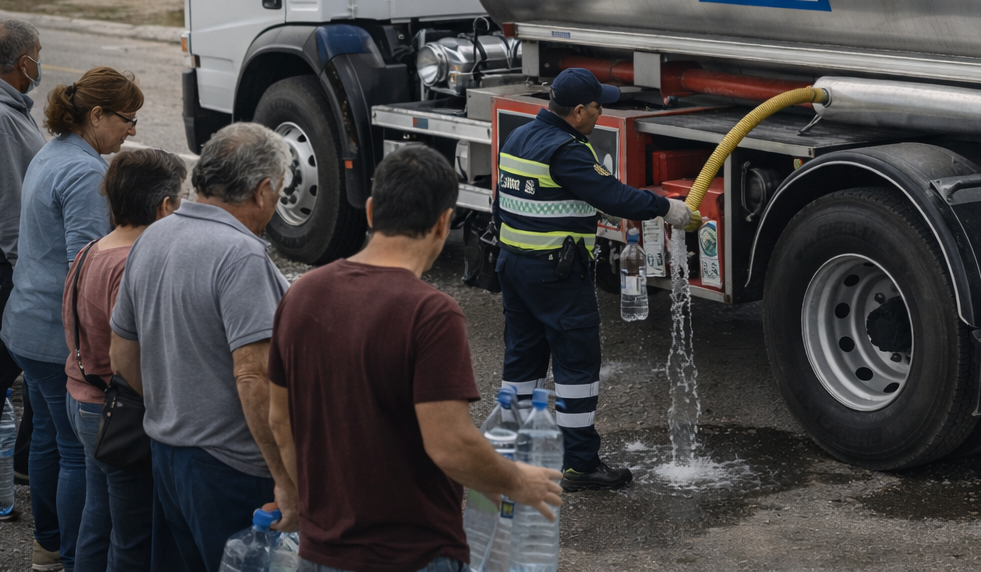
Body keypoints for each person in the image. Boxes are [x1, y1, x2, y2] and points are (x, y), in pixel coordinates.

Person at [267, 145, 563, 572]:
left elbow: (280, 420)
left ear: (370, 212)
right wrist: (518, 481)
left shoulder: (302, 294)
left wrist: (312, 511)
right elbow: (450, 446)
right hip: (412, 556)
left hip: (320, 554)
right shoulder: (430, 312)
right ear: (444, 222)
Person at [494, 67, 698, 491]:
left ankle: (507, 452)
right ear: (579, 111)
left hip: (514, 266)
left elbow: (521, 198)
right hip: (556, 273)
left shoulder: (520, 136)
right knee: (576, 367)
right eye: (598, 106)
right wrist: (666, 209)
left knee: (523, 361)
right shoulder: (567, 149)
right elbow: (616, 195)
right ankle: (580, 465)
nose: (601, 113)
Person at [108, 122, 294, 572]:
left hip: (166, 451)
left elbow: (121, 355)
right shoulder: (240, 255)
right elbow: (254, 377)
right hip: (231, 468)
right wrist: (286, 478)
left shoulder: (153, 235)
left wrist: (179, 403)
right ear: (263, 190)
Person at [5, 67, 142, 572]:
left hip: (24, 321)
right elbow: (85, 266)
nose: (131, 130)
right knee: (74, 453)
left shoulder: (55, 149)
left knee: (45, 439)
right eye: (127, 119)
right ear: (98, 114)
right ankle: (69, 554)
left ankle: (47, 546)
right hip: (52, 336)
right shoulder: (86, 172)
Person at [64, 148, 186, 572]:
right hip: (114, 410)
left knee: (98, 518)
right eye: (180, 198)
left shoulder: (93, 249)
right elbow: (127, 356)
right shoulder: (131, 262)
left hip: (82, 397)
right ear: (164, 206)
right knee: (132, 538)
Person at [0, 19, 45, 507]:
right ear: (21, 61)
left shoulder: (14, 109)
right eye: (37, 53)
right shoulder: (1, 118)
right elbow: (9, 207)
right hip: (6, 271)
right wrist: (24, 273)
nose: (39, 63)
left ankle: (24, 462)